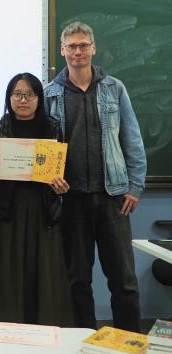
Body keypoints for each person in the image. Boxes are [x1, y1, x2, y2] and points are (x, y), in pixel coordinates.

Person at [44, 21, 146, 332]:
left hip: (113, 198)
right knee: (77, 280)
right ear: (63, 51)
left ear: (93, 48)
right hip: (71, 201)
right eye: (72, 46)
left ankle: (129, 344)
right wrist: (50, 178)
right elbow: (42, 147)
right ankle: (83, 347)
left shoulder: (115, 88)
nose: (78, 51)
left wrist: (135, 187)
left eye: (83, 45)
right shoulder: (49, 94)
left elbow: (132, 139)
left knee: (123, 280)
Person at [0, 72, 73, 326]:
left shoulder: (53, 129)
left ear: (39, 98)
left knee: (43, 272)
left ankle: (43, 329)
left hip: (42, 210)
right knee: (7, 273)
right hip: (8, 210)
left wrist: (61, 185)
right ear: (9, 98)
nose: (23, 100)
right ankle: (5, 331)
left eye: (30, 95)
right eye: (17, 94)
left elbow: (63, 171)